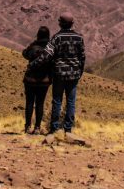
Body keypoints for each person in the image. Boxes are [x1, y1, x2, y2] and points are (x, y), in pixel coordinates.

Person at [29, 12, 86, 143]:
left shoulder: (56, 38)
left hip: (59, 74)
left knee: (57, 100)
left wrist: (34, 64)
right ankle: (68, 129)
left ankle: (54, 129)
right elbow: (82, 57)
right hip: (73, 75)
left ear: (61, 23)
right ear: (72, 23)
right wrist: (79, 72)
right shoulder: (79, 38)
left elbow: (46, 55)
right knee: (71, 101)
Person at [21, 26, 52, 134]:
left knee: (29, 103)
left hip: (30, 80)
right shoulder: (50, 48)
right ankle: (37, 127)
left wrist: (34, 43)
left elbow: (24, 53)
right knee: (40, 103)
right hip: (44, 81)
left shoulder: (33, 47)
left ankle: (27, 126)